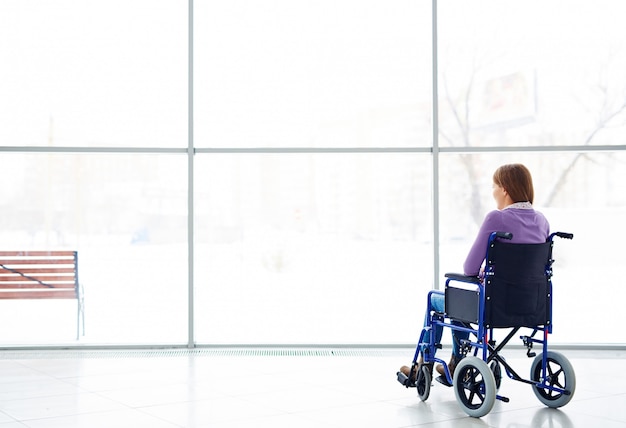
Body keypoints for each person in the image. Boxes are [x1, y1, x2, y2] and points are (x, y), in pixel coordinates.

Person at [399, 163, 550, 383]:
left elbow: (469, 269)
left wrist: (483, 271)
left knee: (438, 300)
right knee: (460, 302)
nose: (493, 192)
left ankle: (428, 365)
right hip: (531, 306)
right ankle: (456, 363)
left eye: (494, 186)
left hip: (492, 306)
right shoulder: (542, 222)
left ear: (505, 189)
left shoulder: (496, 219)